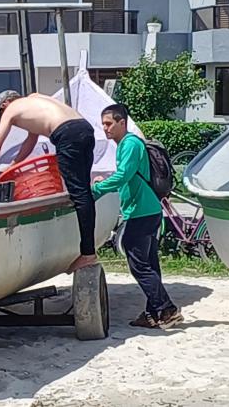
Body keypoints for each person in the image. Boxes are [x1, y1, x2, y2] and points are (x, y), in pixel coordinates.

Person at [92, 104, 184, 329]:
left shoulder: (130, 143)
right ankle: (153, 314)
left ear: (122, 122)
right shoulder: (126, 144)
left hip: (141, 211)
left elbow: (124, 175)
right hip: (147, 209)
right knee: (150, 263)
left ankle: (167, 308)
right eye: (103, 124)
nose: (105, 128)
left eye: (109, 123)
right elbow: (127, 173)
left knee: (138, 265)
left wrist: (97, 190)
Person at [0, 90, 98, 273]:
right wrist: (13, 165)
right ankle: (89, 250)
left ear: (4, 105)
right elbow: (30, 143)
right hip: (84, 129)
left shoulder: (11, 109)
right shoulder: (35, 100)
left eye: (1, 113)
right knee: (84, 192)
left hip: (66, 134)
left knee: (79, 195)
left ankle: (87, 253)